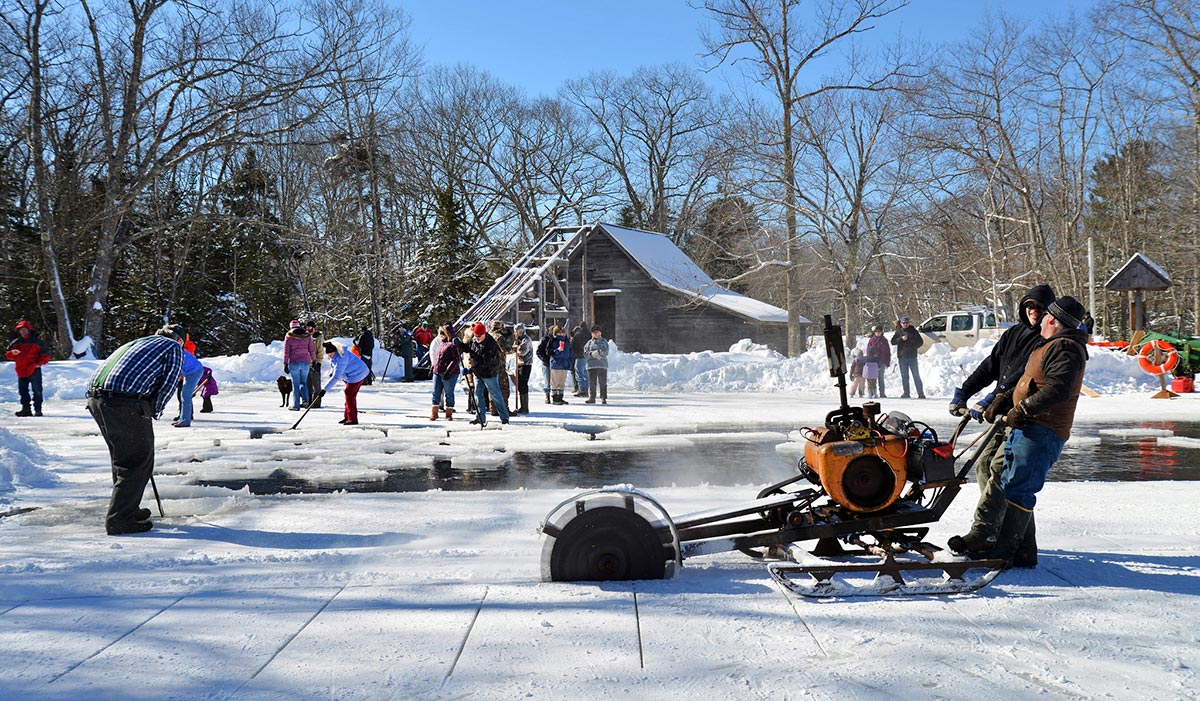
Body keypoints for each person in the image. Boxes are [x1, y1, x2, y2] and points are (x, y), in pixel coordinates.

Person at [977, 295, 1089, 567]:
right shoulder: (1050, 345)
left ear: (1052, 318)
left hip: (1043, 429)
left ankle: (1007, 552)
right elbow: (1032, 383)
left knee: (1020, 488)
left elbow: (1057, 389)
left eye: (1045, 315)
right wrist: (1005, 400)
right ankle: (1018, 550)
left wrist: (1023, 409)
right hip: (1029, 427)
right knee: (1009, 481)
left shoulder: (1065, 348)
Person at [947, 284, 1056, 558]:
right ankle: (1013, 536)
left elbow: (1022, 379)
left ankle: (987, 533)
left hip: (1019, 415)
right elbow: (990, 366)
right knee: (984, 466)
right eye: (1030, 307)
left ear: (1049, 312)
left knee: (1002, 473)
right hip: (1002, 413)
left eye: (1040, 308)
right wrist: (964, 391)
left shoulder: (1045, 342)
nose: (1034, 312)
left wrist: (993, 398)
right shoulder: (1013, 334)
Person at [86, 325, 185, 535]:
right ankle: (119, 520)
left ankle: (128, 509)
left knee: (123, 458)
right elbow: (168, 382)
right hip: (125, 402)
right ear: (180, 340)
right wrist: (152, 410)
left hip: (97, 399)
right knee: (137, 461)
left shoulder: (139, 342)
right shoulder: (173, 347)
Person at [460, 321, 509, 426]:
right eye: (476, 335)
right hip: (478, 373)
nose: (477, 338)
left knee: (495, 395)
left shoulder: (490, 344)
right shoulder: (474, 339)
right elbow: (468, 349)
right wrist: (459, 345)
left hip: (489, 373)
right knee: (478, 394)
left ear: (484, 334)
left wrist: (471, 369)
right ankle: (480, 417)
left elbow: (486, 361)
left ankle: (504, 417)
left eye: (479, 336)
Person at [6, 320, 52, 417]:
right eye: (21, 330)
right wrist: (12, 353)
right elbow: (8, 355)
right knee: (23, 391)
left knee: (37, 390)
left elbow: (46, 355)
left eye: (25, 329)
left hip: (33, 369)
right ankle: (26, 409)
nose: (23, 332)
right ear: (18, 331)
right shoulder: (15, 343)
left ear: (29, 330)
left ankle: (38, 410)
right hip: (21, 370)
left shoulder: (37, 342)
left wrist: (39, 363)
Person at [321, 341, 371, 425]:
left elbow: (336, 376)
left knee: (349, 394)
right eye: (328, 355)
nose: (330, 356)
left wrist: (324, 390)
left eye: (331, 354)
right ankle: (348, 417)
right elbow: (334, 366)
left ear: (335, 351)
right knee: (349, 395)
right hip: (352, 374)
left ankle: (352, 419)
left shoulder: (341, 358)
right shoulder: (336, 355)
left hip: (358, 373)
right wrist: (331, 372)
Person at [173, 327, 204, 428]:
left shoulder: (177, 353)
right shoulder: (176, 350)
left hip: (194, 372)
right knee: (183, 395)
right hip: (190, 372)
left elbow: (176, 369)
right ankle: (183, 418)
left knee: (185, 395)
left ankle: (185, 420)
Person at [431, 325, 462, 421]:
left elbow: (455, 359)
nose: (441, 335)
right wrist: (433, 367)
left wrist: (449, 371)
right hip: (438, 371)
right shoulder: (441, 344)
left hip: (450, 372)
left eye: (443, 333)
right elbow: (438, 357)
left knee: (449, 392)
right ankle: (434, 412)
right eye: (440, 333)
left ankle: (449, 412)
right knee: (436, 391)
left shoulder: (453, 345)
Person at [890, 316, 925, 398]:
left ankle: (921, 393)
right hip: (902, 357)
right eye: (903, 323)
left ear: (909, 323)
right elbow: (893, 341)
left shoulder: (914, 331)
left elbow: (920, 342)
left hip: (912, 357)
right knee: (904, 376)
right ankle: (906, 393)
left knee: (916, 375)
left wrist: (913, 346)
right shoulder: (899, 331)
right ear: (901, 324)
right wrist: (901, 339)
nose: (905, 324)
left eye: (906, 323)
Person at [583, 324, 609, 404]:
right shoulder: (589, 343)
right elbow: (585, 352)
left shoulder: (604, 342)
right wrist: (591, 354)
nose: (595, 334)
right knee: (592, 383)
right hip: (591, 365)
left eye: (597, 332)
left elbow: (606, 351)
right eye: (594, 332)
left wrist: (599, 353)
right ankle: (592, 397)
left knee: (602, 383)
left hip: (602, 365)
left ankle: (603, 397)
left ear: (600, 333)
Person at [548, 325, 573, 405]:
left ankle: (560, 397)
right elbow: (548, 351)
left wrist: (570, 361)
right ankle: (555, 398)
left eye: (562, 332)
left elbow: (570, 352)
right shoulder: (553, 341)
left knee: (562, 382)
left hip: (565, 364)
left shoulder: (566, 341)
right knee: (555, 382)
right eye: (559, 332)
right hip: (556, 364)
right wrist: (557, 350)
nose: (561, 334)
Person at [513, 323, 534, 414]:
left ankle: (525, 407)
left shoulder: (526, 339)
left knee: (523, 384)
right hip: (520, 364)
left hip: (526, 364)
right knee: (520, 384)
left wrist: (517, 348)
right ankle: (522, 405)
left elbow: (522, 351)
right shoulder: (519, 339)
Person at [865, 325, 891, 398]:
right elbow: (868, 351)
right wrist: (871, 356)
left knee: (881, 378)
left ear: (881, 332)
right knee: (872, 378)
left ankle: (882, 393)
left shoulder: (884, 340)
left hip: (882, 361)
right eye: (876, 331)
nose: (877, 333)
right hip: (873, 362)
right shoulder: (871, 340)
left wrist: (887, 361)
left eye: (879, 331)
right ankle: (872, 393)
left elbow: (888, 352)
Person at [305, 320, 324, 408]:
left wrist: (318, 363)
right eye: (307, 328)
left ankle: (316, 403)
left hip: (315, 363)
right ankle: (308, 401)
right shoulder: (305, 337)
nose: (309, 329)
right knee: (307, 384)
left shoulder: (319, 337)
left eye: (310, 328)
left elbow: (320, 351)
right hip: (306, 363)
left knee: (316, 385)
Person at [570, 324, 590, 398]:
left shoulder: (577, 335)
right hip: (587, 356)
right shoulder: (589, 335)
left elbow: (572, 346)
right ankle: (586, 390)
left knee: (579, 373)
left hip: (579, 356)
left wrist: (575, 353)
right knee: (585, 373)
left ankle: (581, 390)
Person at [536, 329, 553, 404]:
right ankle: (547, 396)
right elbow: (538, 351)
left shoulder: (557, 339)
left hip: (555, 363)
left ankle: (556, 396)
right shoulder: (544, 339)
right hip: (546, 363)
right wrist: (544, 359)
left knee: (555, 381)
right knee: (547, 381)